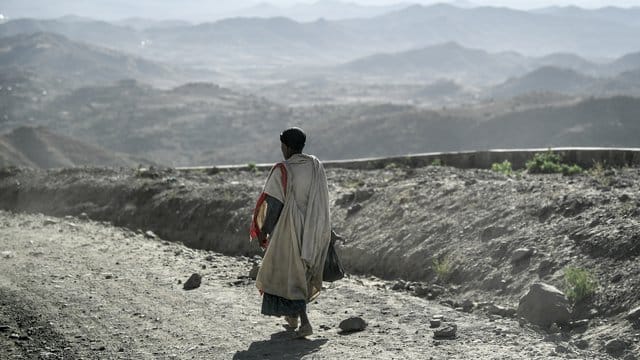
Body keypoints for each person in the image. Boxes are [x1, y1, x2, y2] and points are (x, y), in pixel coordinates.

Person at [249, 127, 331, 338]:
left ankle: (305, 323)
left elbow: (274, 205)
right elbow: (321, 199)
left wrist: (263, 232)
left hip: (290, 229)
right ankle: (292, 317)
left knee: (289, 274)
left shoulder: (283, 170)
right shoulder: (315, 165)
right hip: (314, 227)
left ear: (285, 146)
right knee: (301, 273)